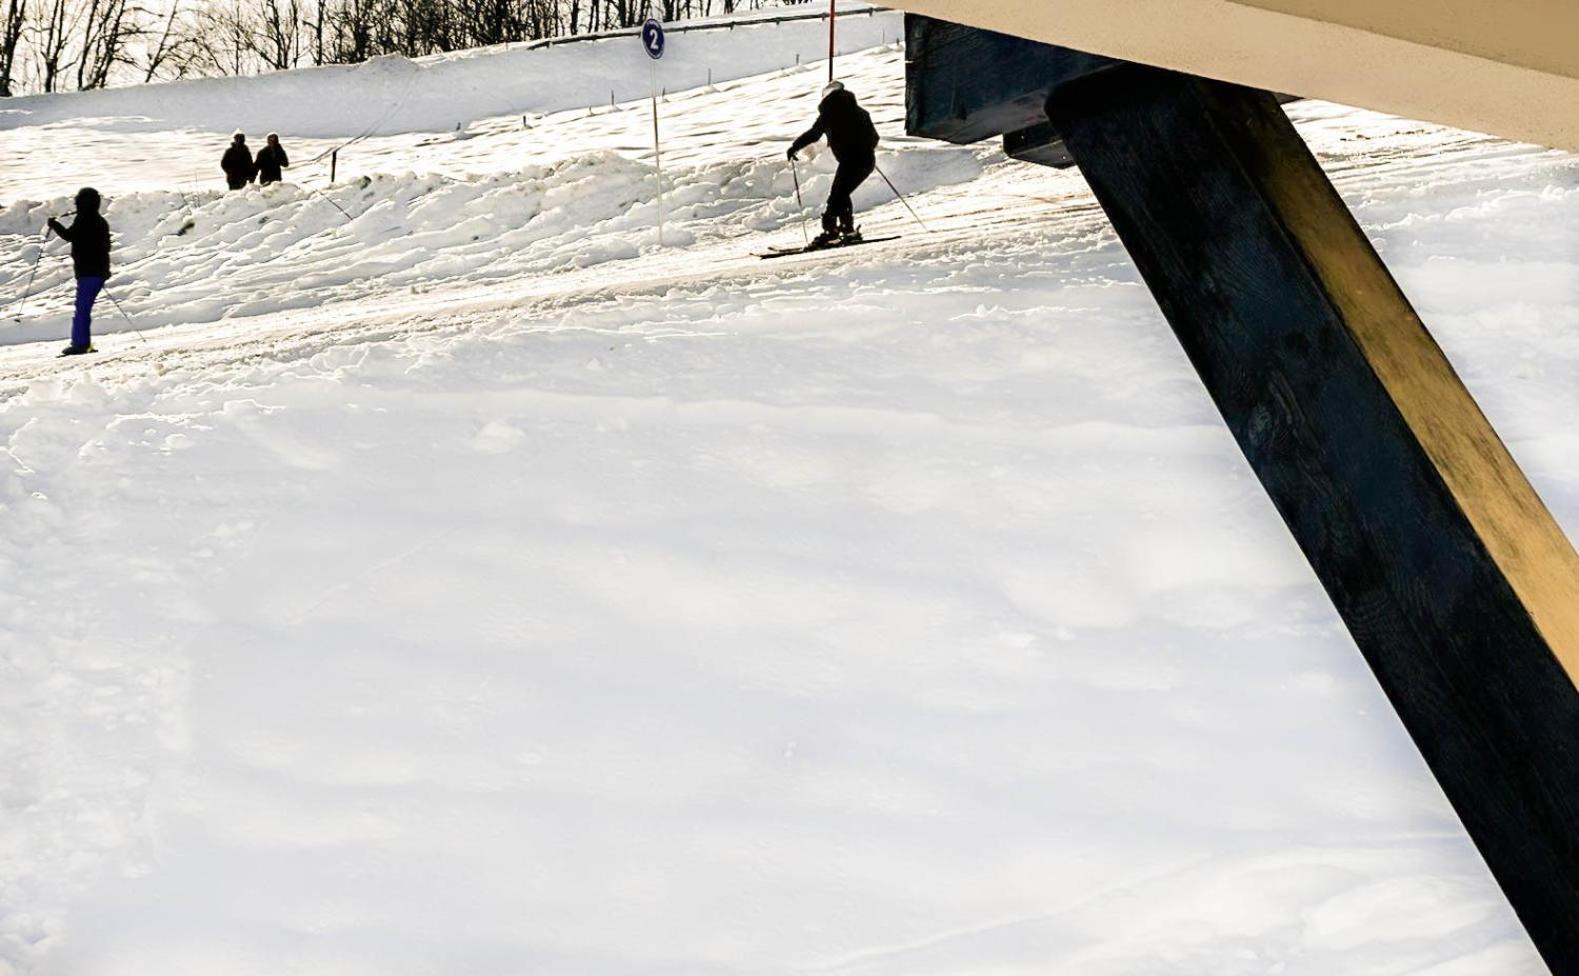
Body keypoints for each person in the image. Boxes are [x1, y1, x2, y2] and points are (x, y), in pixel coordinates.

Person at [786, 80, 879, 247]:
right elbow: (874, 138)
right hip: (866, 161)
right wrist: (864, 149)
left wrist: (794, 147)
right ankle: (848, 231)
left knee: (837, 196)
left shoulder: (829, 113)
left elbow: (814, 134)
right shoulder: (861, 112)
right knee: (841, 194)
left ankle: (831, 233)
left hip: (850, 162)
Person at [46, 187, 111, 357]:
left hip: (89, 272)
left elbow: (70, 236)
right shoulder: (99, 221)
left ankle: (80, 345)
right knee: (83, 309)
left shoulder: (84, 219)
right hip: (98, 271)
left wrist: (54, 225)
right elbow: (105, 246)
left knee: (82, 309)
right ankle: (83, 343)